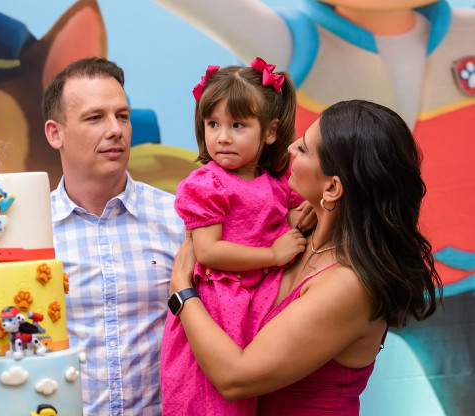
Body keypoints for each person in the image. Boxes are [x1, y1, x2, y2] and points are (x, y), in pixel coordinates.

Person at [167, 99, 442, 415]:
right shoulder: (299, 234)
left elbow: (235, 379)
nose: (290, 148)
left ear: (333, 188)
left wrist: (182, 292)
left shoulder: (348, 285)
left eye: (304, 149)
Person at [161, 58, 315, 415]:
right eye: (213, 124)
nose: (223, 137)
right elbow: (209, 251)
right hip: (217, 306)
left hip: (256, 301)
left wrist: (307, 213)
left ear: (270, 132)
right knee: (210, 399)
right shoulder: (207, 184)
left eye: (238, 125)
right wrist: (273, 255)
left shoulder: (276, 180)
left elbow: (290, 216)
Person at [43, 57, 184, 416]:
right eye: (95, 118)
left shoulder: (177, 218)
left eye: (122, 116)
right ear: (55, 133)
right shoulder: (32, 230)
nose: (116, 129)